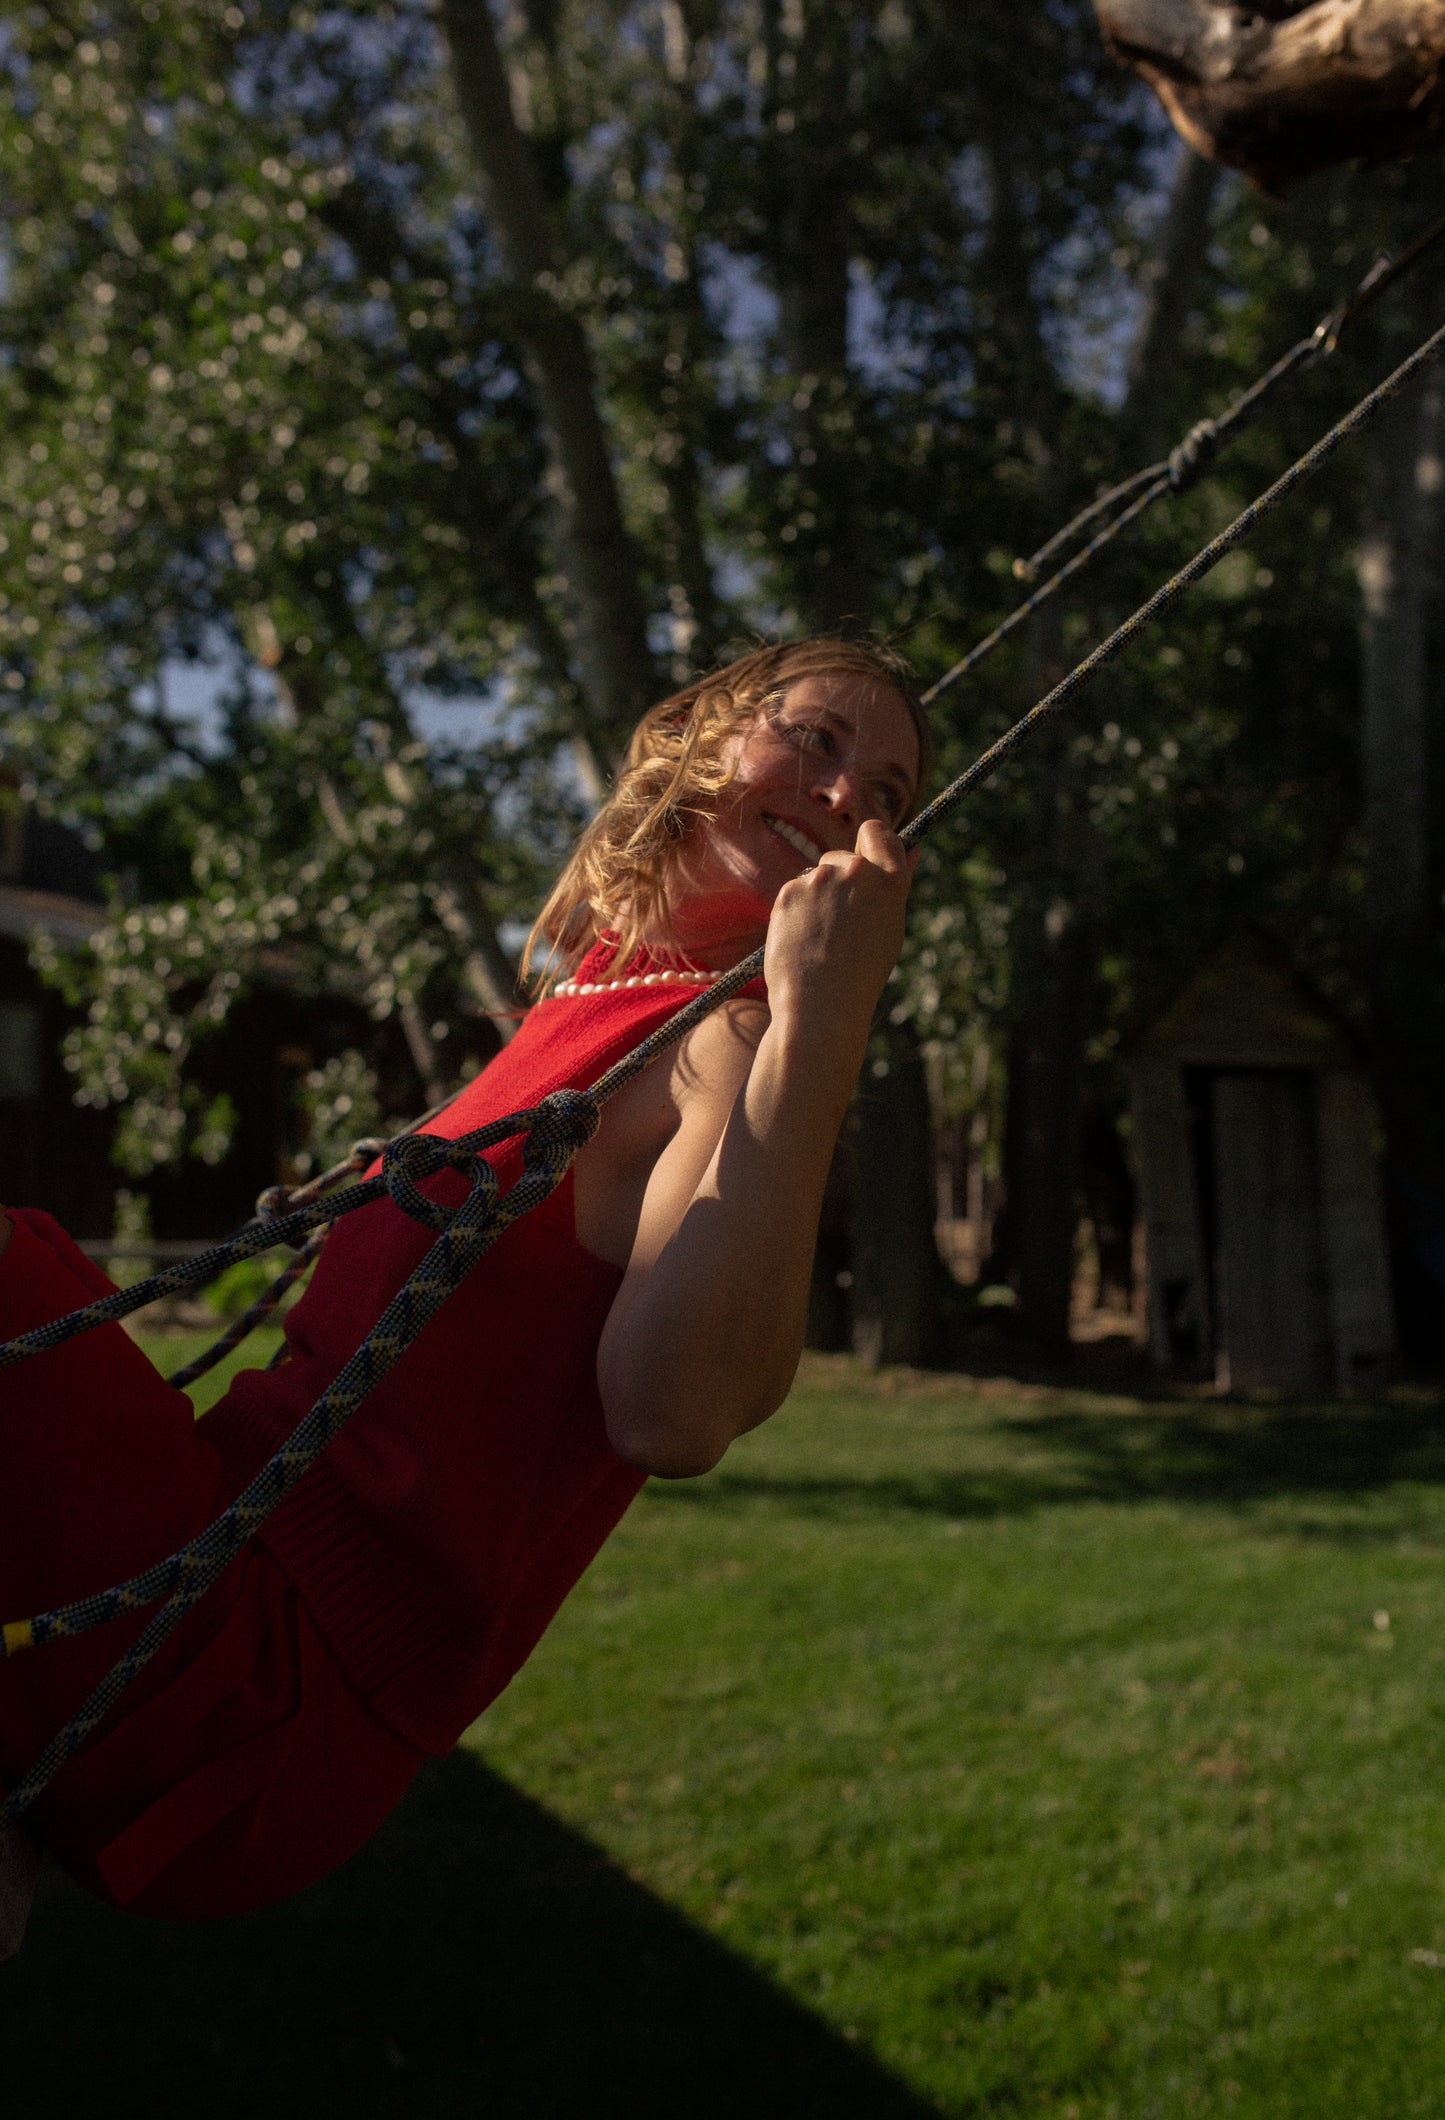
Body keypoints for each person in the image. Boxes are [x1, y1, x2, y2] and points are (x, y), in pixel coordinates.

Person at [0, 635, 928, 1923]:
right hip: (211, 1549)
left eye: (884, 798)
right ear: (696, 742)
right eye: (819, 740)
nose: (845, 798)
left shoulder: (728, 1041)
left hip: (266, 1676)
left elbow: (676, 1413)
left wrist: (825, 1012)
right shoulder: (585, 1000)